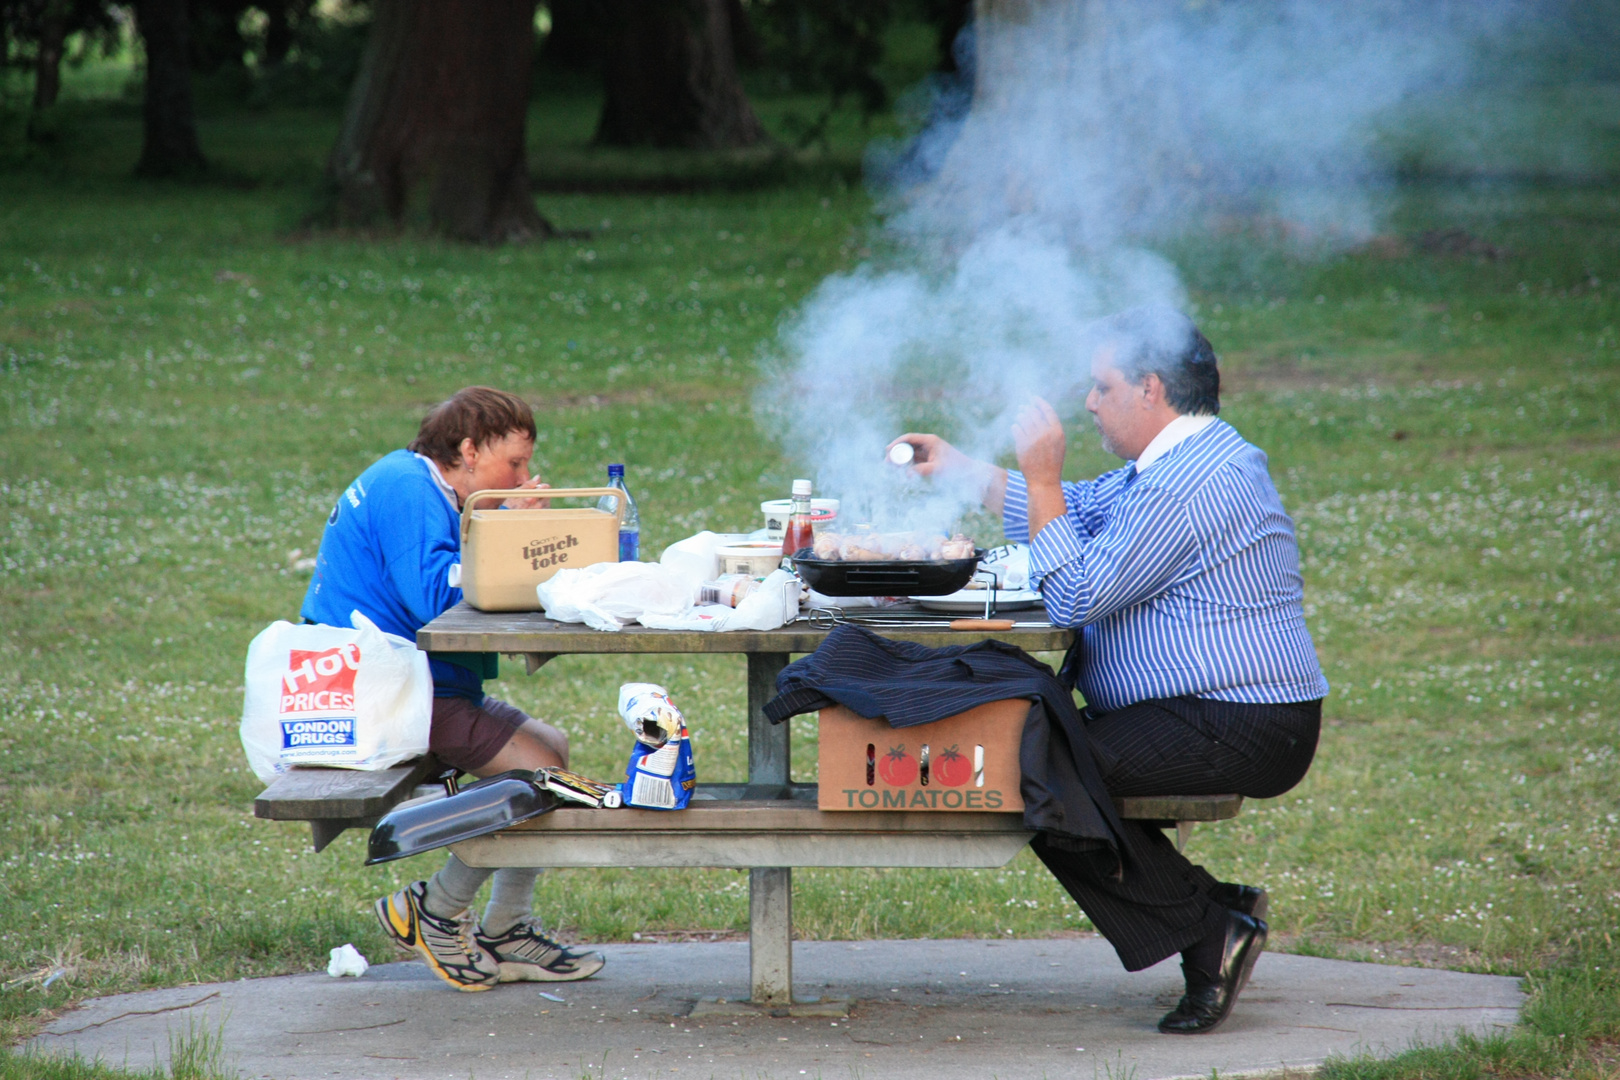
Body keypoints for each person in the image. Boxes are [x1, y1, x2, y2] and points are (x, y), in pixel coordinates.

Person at [890, 306, 1329, 1035]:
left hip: (1240, 721)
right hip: (1205, 710)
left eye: (1102, 387)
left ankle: (1207, 929)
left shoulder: (1191, 482)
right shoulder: (1175, 464)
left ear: (1150, 389)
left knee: (1030, 771)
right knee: (1031, 758)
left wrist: (1042, 478)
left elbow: (1079, 591)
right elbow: (1082, 511)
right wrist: (968, 471)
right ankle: (1213, 915)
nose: (1089, 403)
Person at [301, 386, 604, 991]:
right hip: (383, 690)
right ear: (468, 450)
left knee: (552, 749)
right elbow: (435, 598)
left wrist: (501, 530)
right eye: (513, 464)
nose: (522, 478)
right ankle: (434, 911)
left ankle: (506, 929)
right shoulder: (409, 490)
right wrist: (502, 530)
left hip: (416, 681)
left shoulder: (421, 484)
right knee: (539, 770)